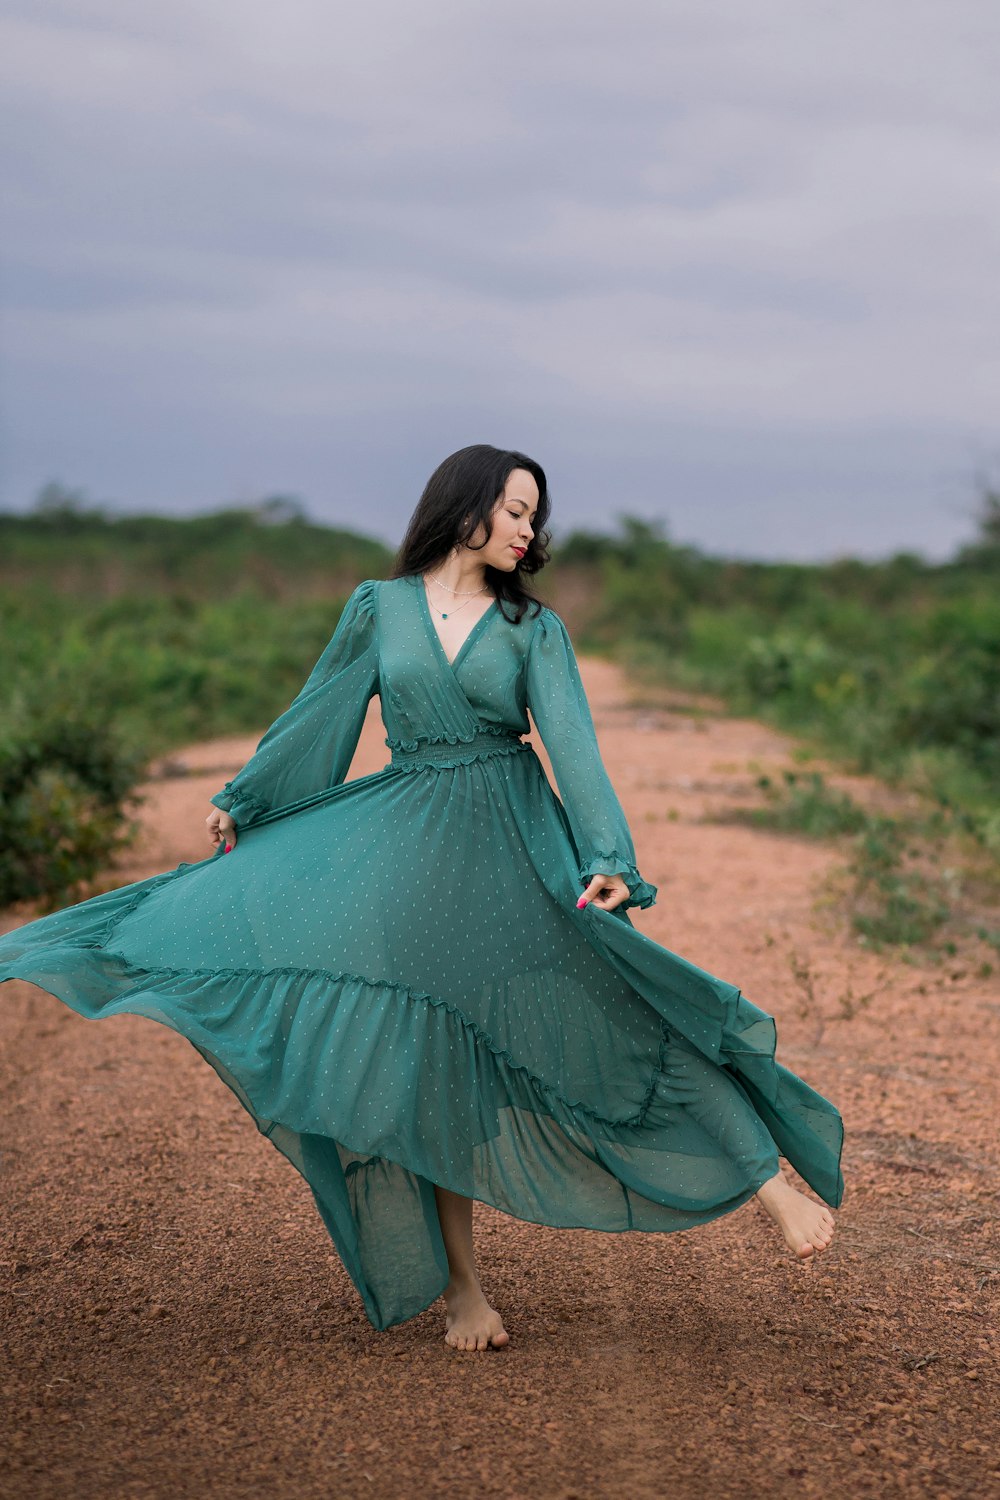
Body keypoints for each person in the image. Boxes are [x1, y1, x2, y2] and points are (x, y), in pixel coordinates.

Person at [0, 444, 841, 1354]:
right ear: (467, 505)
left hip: (519, 849)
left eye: (534, 515)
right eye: (516, 510)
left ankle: (769, 1185)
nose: (530, 529)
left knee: (629, 1006)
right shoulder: (379, 608)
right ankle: (464, 1290)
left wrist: (609, 858)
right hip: (414, 854)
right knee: (433, 1068)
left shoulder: (533, 628)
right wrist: (248, 798)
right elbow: (321, 711)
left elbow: (574, 747)